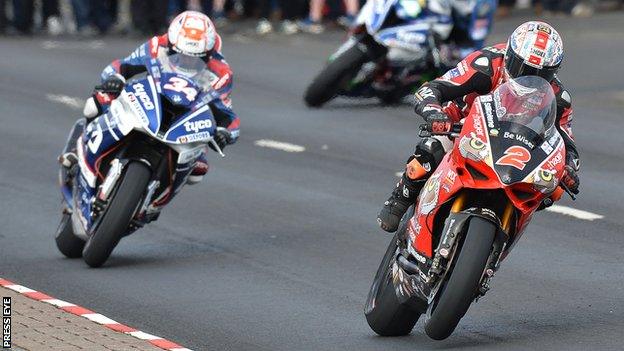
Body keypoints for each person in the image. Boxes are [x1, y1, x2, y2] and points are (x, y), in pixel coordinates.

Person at [377, 21, 580, 232]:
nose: (529, 79)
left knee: (552, 191)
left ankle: (501, 237)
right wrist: (434, 112)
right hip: (463, 125)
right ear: (510, 55)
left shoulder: (558, 96)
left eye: (541, 74)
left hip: (514, 147)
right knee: (432, 149)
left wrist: (569, 168)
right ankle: (400, 198)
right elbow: (433, 88)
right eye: (524, 69)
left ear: (554, 72)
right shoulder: (486, 63)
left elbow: (566, 141)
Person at [62, 10, 239, 185]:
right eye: (180, 55)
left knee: (198, 169)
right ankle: (77, 148)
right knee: (97, 102)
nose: (186, 62)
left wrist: (225, 133)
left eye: (196, 59)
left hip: (185, 118)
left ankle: (154, 201)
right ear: (170, 46)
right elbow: (119, 66)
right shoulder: (156, 46)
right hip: (149, 99)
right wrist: (115, 79)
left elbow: (228, 116)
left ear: (209, 54)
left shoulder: (221, 73)